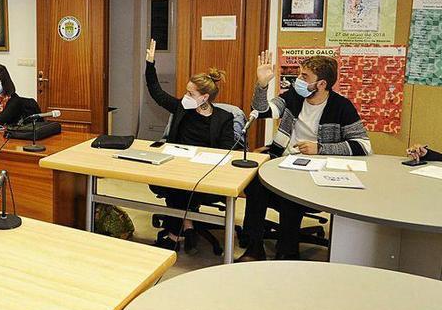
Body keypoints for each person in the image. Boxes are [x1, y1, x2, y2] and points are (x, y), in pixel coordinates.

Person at [239, 51, 372, 261]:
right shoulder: (294, 97)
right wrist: (262, 84)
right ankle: (254, 248)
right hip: (283, 161)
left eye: (304, 77)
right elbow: (262, 111)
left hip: (317, 172)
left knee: (291, 195)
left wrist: (320, 148)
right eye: (300, 75)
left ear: (321, 84)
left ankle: (287, 252)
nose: (298, 81)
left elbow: (363, 146)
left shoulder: (341, 107)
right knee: (254, 185)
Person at [144, 38, 235, 251]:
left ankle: (177, 232)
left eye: (190, 94)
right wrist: (150, 64)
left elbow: (229, 150)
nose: (185, 96)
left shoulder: (224, 118)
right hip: (176, 167)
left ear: (204, 97)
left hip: (205, 172)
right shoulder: (180, 108)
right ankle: (187, 225)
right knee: (177, 184)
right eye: (186, 91)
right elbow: (155, 91)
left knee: (181, 189)